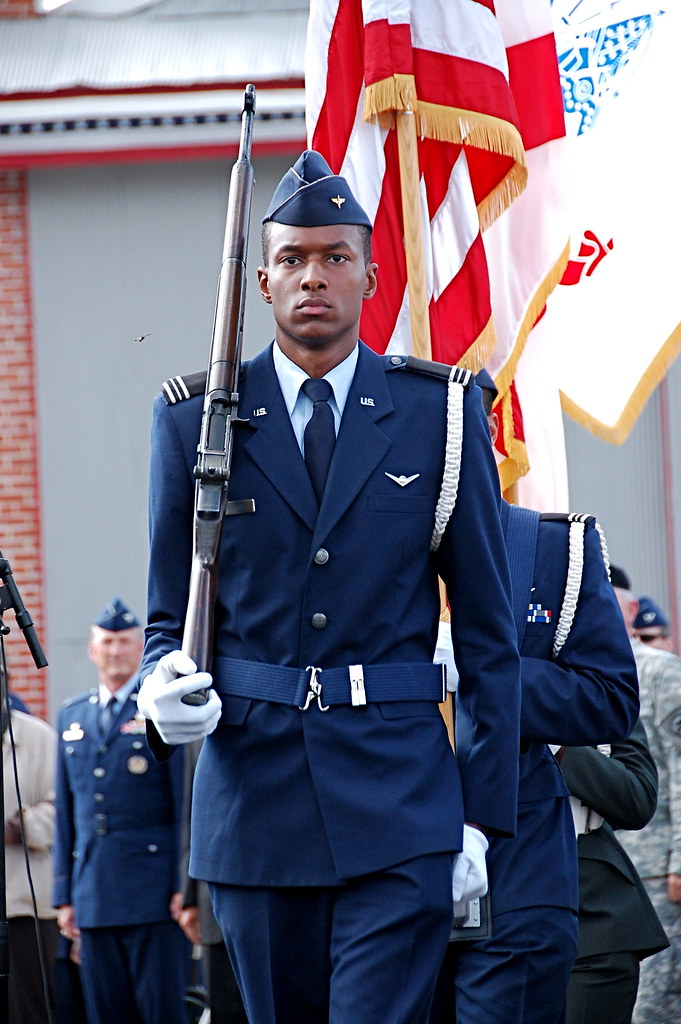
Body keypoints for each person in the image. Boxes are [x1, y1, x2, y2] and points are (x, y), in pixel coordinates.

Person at [137, 149, 522, 1024]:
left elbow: (490, 638)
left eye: (335, 257)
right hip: (255, 803)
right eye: (293, 259)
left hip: (402, 802)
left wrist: (479, 818)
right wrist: (161, 687)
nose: (314, 275)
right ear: (262, 281)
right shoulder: (196, 420)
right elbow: (169, 618)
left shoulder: (443, 415)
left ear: (370, 276)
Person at [430, 370, 639, 1024]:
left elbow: (607, 699)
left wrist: (486, 669)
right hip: (378, 859)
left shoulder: (552, 550)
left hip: (516, 864)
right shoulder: (351, 550)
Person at [53, 597, 189, 1024]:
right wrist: (64, 896)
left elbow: (183, 805)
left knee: (161, 1012)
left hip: (153, 893)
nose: (115, 651)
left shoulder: (160, 714)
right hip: (93, 892)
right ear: (93, 650)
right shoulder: (72, 717)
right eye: (107, 643)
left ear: (140, 648)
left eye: (125, 642)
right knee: (106, 1013)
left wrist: (185, 886)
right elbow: (66, 815)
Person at [561, 719, 669, 1023]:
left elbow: (636, 799)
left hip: (590, 915)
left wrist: (554, 743)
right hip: (477, 916)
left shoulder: (595, 682)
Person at [611, 567, 681, 1024]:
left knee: (654, 1008)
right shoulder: (584, 673)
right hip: (611, 872)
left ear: (632, 611)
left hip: (658, 871)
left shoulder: (658, 671)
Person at [178, 740, 247, 1024]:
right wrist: (190, 897)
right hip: (213, 896)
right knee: (225, 1009)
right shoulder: (203, 715)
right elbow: (193, 814)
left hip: (279, 890)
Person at [3, 702, 59, 1023]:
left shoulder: (38, 737)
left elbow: (63, 809)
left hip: (24, 907)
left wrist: (19, 826)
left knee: (27, 1010)